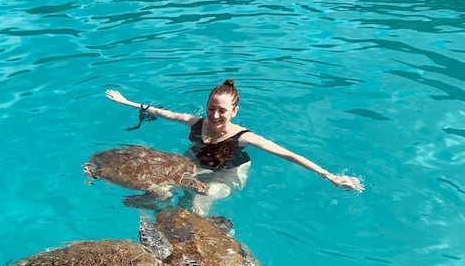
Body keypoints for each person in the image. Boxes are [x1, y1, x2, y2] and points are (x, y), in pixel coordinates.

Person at [104, 80, 363, 214]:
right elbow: (162, 112)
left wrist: (329, 175)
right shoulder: (195, 123)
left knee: (198, 201)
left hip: (228, 171)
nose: (215, 116)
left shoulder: (244, 137)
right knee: (162, 187)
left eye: (222, 111)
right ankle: (156, 206)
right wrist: (126, 103)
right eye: (211, 109)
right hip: (194, 162)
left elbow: (288, 154)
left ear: (234, 111)